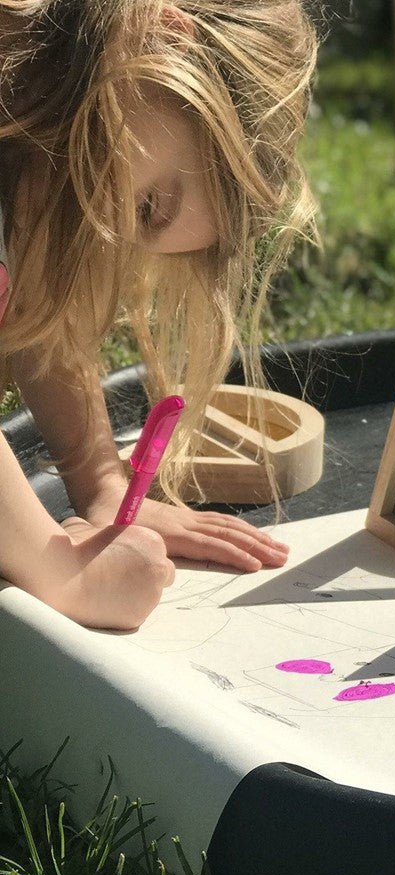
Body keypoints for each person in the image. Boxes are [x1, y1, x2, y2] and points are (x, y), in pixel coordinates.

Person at [0, 0, 319, 630]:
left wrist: (101, 483)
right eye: (150, 206)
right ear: (161, 42)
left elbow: (39, 311)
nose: (108, 231)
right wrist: (58, 568)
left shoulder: (30, 149)